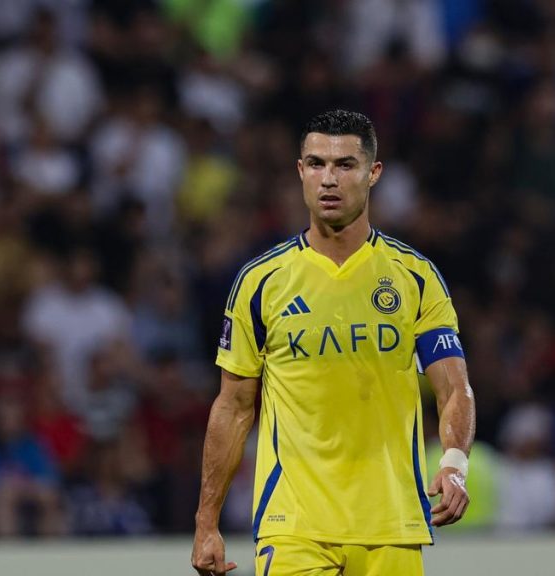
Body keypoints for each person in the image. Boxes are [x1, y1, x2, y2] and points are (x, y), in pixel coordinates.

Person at [192, 110, 476, 576]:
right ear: (300, 171)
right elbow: (234, 406)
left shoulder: (415, 278)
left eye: (345, 165)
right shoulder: (261, 282)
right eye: (316, 164)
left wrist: (454, 462)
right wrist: (207, 522)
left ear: (373, 174)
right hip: (294, 526)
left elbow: (454, 389)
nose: (329, 179)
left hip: (392, 524)